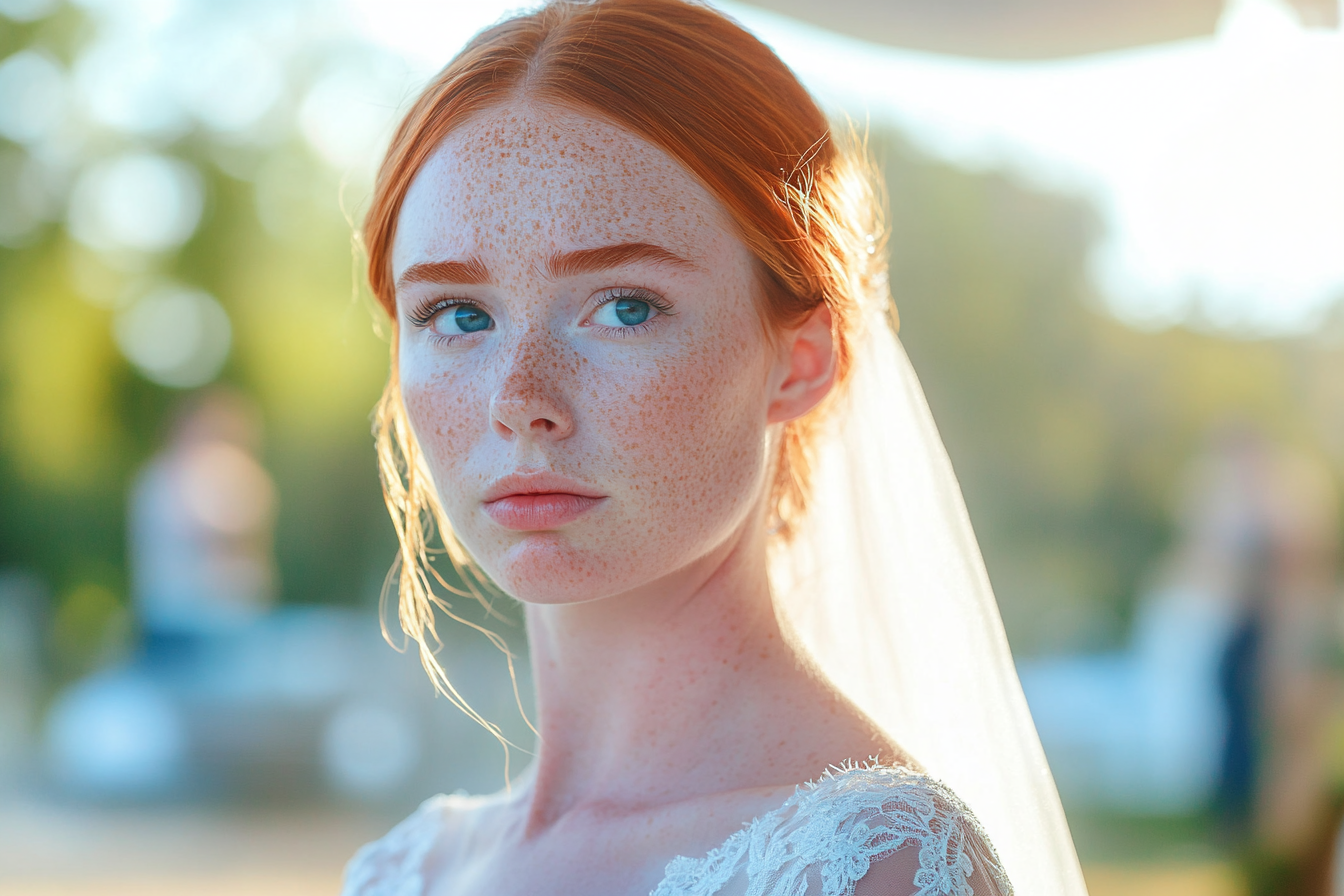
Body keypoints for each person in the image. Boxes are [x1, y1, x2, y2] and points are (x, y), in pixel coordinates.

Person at [343, 1, 1087, 893]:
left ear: (801, 363)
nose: (520, 402)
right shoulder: (406, 870)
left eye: (625, 306)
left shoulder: (866, 865)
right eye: (457, 315)